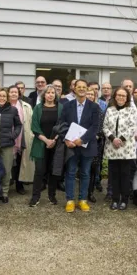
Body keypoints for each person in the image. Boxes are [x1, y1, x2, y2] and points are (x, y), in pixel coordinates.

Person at [60, 79, 100, 213]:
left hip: (87, 146)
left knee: (85, 173)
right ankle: (70, 200)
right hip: (71, 146)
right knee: (70, 173)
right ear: (74, 89)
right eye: (79, 87)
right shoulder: (67, 106)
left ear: (87, 89)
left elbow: (95, 127)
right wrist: (66, 139)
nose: (82, 89)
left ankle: (83, 200)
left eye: (84, 87)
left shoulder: (94, 107)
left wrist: (82, 140)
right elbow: (62, 124)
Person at [102, 87, 137, 210]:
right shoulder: (110, 110)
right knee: (114, 175)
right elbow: (105, 126)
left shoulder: (131, 110)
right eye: (119, 95)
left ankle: (124, 200)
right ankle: (115, 199)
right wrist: (113, 138)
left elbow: (132, 127)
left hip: (126, 148)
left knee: (125, 175)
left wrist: (120, 139)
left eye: (123, 96)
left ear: (127, 97)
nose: (121, 97)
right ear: (115, 96)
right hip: (112, 147)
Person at [29, 85, 63, 207]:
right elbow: (34, 127)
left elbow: (63, 125)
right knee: (39, 171)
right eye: (48, 92)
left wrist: (54, 140)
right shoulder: (38, 108)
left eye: (52, 93)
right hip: (40, 144)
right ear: (44, 95)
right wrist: (46, 141)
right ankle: (35, 197)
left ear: (55, 95)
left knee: (54, 171)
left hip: (56, 144)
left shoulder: (61, 108)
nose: (50, 95)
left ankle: (52, 196)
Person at [8, 85, 34, 195]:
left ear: (19, 94)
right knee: (8, 162)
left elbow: (31, 122)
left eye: (16, 92)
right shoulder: (5, 106)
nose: (14, 94)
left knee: (20, 162)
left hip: (22, 137)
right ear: (8, 93)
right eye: (11, 92)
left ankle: (19, 185)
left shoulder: (26, 106)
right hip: (8, 137)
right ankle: (7, 184)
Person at [86, 87, 105, 202]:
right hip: (79, 143)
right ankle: (81, 193)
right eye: (87, 94)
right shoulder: (79, 109)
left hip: (94, 144)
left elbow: (102, 127)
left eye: (92, 94)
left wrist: (94, 137)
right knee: (82, 170)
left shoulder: (98, 110)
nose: (89, 96)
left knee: (93, 169)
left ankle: (90, 192)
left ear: (95, 97)